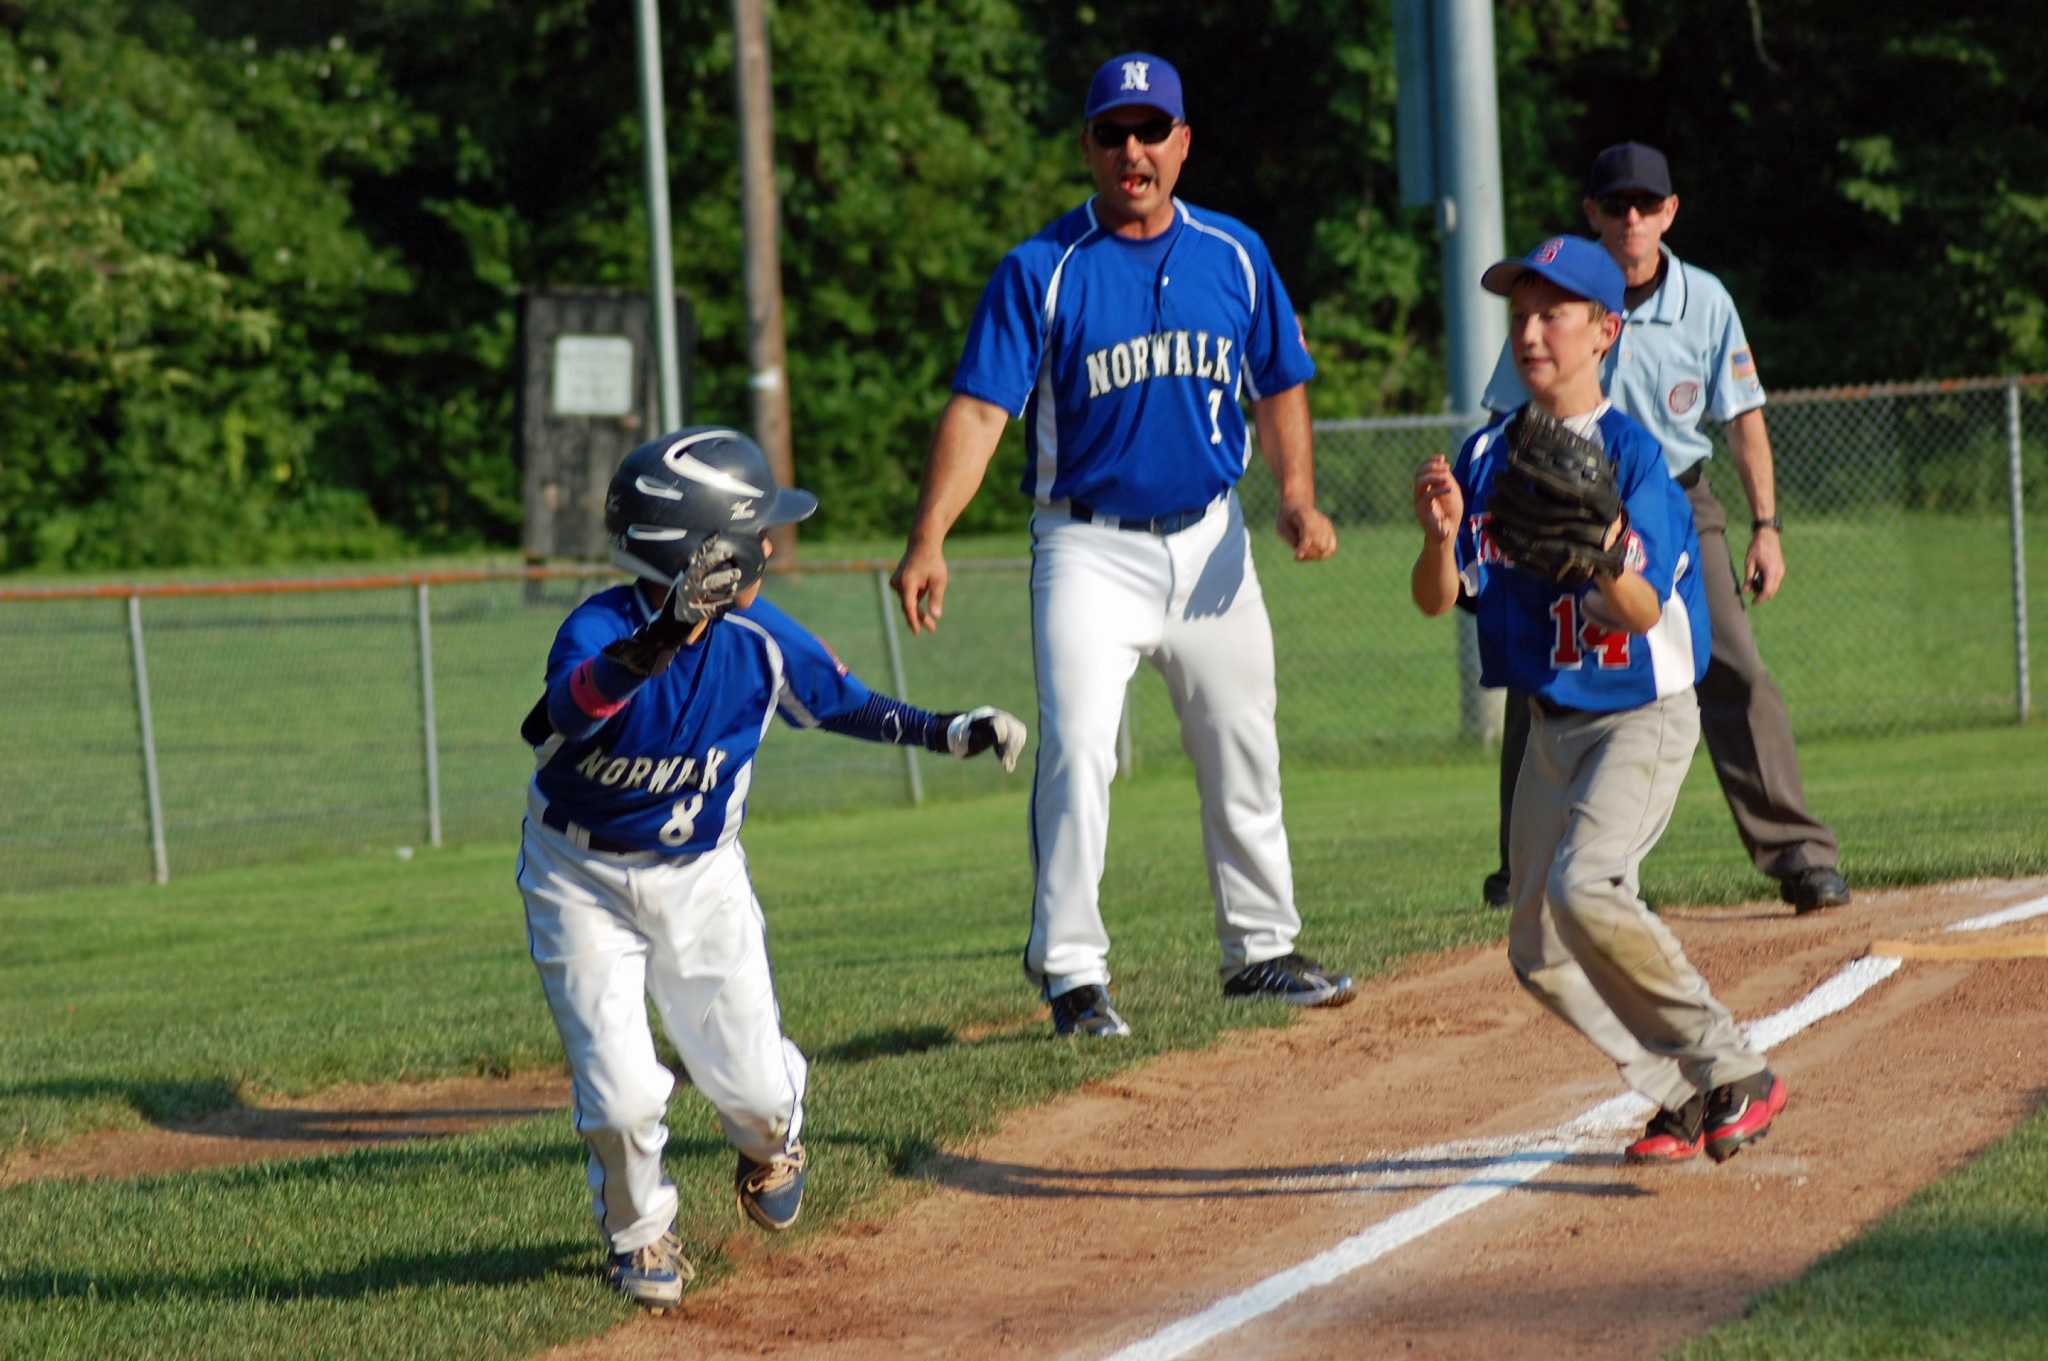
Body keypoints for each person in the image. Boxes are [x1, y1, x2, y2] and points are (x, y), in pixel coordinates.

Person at [888, 52, 1353, 1039]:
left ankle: (1260, 948)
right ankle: (1069, 970)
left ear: (1182, 143)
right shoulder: (1039, 268)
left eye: (1150, 131)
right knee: (1080, 751)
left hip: (1211, 539)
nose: (1132, 150)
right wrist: (929, 535)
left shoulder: (1233, 254)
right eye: (1113, 132)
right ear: (1087, 147)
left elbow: (1278, 382)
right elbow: (978, 412)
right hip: (1086, 548)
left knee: (1240, 739)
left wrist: (1297, 496)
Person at [516, 426, 1028, 1311]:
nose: (770, 548)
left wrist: (948, 729)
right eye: (757, 533)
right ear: (701, 551)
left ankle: (773, 1132)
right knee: (624, 1094)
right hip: (579, 878)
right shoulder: (601, 628)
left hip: (702, 878)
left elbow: (847, 703)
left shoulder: (758, 636)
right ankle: (640, 1236)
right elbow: (559, 717)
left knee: (753, 1092)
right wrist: (661, 640)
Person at [1411, 235, 1788, 1165]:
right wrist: (1440, 535)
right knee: (1536, 950)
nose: (1531, 331)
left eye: (1554, 313)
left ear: (1603, 330)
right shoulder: (1487, 454)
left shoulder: (1632, 455)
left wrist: (1593, 553)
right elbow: (1438, 595)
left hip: (1641, 712)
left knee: (1588, 885)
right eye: (1521, 313)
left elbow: (1644, 602)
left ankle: (1736, 1067)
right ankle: (1680, 1092)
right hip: (1550, 726)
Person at [1477, 142, 1850, 915]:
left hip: (1678, 501)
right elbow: (1505, 422)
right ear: (1594, 214)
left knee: (1733, 667)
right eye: (1615, 205)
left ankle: (1799, 853)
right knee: (1534, 665)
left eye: (1647, 204)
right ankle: (1523, 865)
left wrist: (1767, 526)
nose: (1632, 219)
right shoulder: (1557, 299)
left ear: (1670, 213)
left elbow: (1742, 417)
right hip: (1565, 508)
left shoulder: (1704, 300)